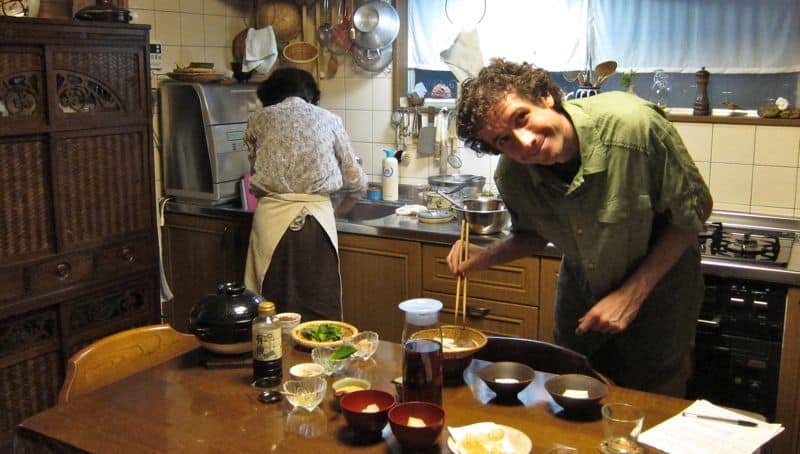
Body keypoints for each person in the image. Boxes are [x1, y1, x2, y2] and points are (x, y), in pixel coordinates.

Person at [447, 59, 713, 397]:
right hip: (582, 298)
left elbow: (695, 212)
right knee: (573, 392)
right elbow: (532, 234)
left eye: (522, 118)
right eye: (503, 140)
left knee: (651, 403)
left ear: (545, 97)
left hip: (660, 296)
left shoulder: (633, 128)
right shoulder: (513, 174)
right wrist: (484, 257)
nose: (524, 142)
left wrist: (630, 296)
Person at [244, 68, 367, 321]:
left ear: (270, 96)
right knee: (318, 309)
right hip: (317, 223)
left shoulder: (258, 120)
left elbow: (255, 172)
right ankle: (320, 359)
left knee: (269, 308)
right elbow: (356, 182)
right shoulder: (329, 120)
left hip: (270, 221)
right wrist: (335, 212)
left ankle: (271, 358)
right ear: (311, 95)